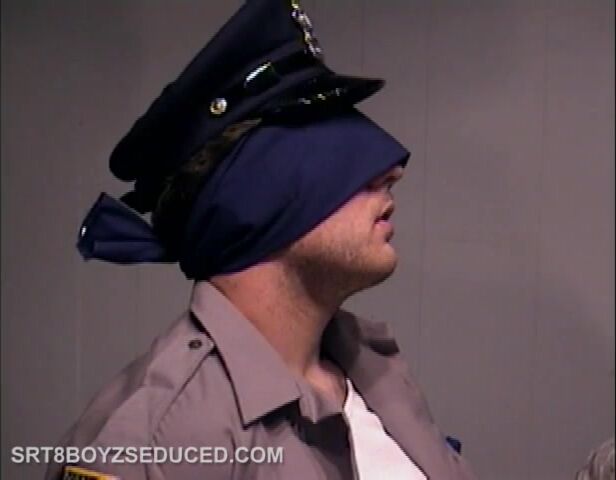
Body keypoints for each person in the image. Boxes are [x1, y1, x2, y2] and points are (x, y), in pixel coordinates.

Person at [46, 1, 477, 479]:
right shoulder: (156, 446)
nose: (390, 171)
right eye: (338, 152)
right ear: (255, 202)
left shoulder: (374, 373)